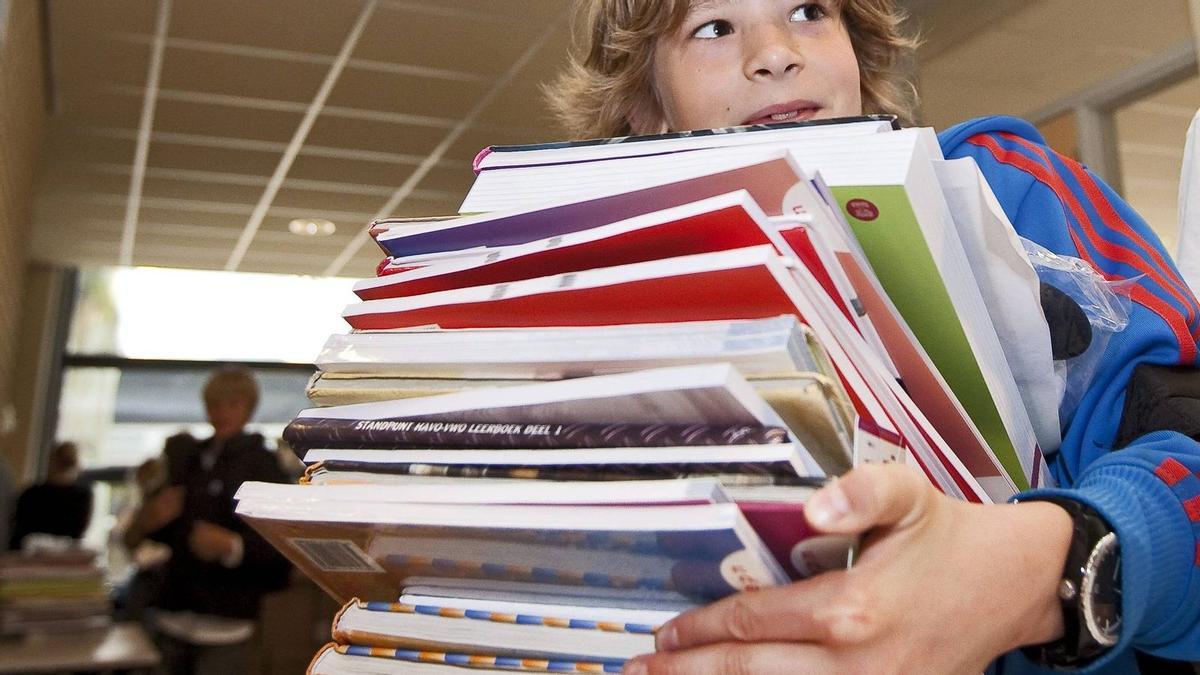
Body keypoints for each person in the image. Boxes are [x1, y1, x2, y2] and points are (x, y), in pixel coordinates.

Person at [546, 1, 1200, 673]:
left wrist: (1040, 572)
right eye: (714, 27)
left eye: (808, 11)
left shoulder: (1004, 188)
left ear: (857, 48)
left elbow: (1185, 439)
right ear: (647, 108)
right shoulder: (610, 311)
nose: (773, 52)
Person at [122, 367, 290, 675]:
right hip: (171, 615)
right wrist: (151, 518)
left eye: (232, 404)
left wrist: (232, 546)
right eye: (215, 405)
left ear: (247, 407)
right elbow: (151, 531)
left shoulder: (263, 466)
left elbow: (283, 547)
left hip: (227, 624)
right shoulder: (188, 458)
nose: (221, 413)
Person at [8, 441, 92, 550]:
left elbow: (18, 531)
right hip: (59, 558)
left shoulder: (31, 494)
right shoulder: (82, 496)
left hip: (29, 555)